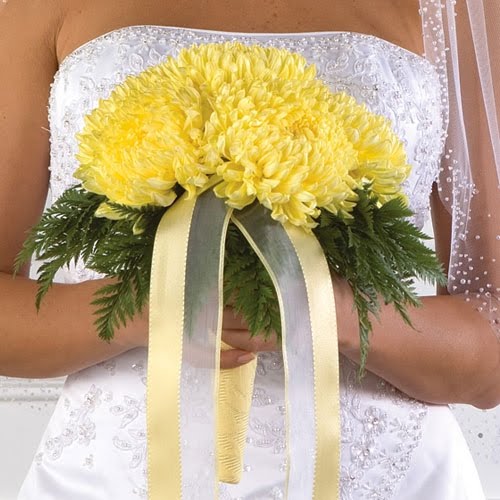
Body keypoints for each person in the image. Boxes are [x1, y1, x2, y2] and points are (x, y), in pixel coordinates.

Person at [0, 0, 498, 498]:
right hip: (114, 477)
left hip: (390, 478)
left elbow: (489, 351)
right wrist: (154, 304)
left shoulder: (457, 9)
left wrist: (324, 310)